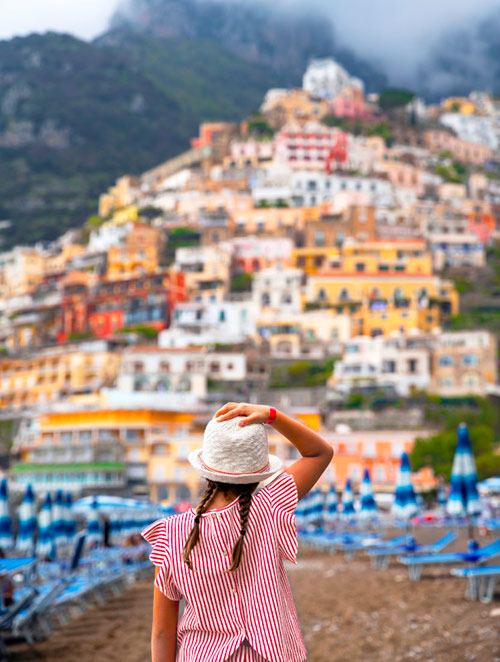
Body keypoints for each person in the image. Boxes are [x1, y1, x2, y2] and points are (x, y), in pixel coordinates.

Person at [142, 402, 333, 662]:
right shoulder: (270, 507)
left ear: (205, 469)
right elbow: (320, 453)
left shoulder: (170, 534)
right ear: (258, 473)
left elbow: (162, 631)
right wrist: (271, 415)